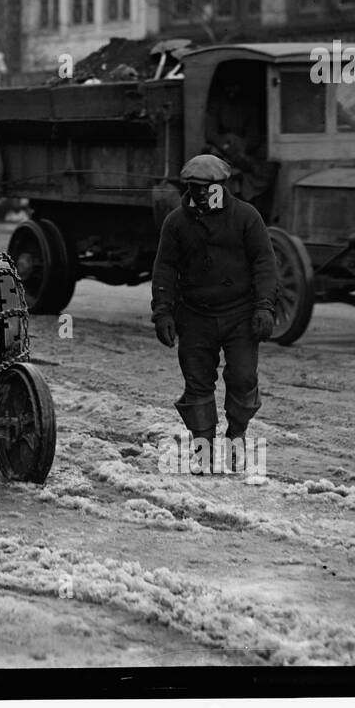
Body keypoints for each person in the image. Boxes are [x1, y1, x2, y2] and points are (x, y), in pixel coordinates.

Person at [151, 154, 278, 475]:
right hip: (194, 316)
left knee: (243, 377)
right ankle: (204, 452)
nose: (201, 194)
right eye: (194, 188)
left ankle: (237, 438)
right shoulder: (177, 223)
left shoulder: (246, 218)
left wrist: (265, 305)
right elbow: (165, 268)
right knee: (197, 384)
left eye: (208, 188)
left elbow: (265, 262)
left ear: (223, 186)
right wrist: (162, 312)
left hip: (240, 314)